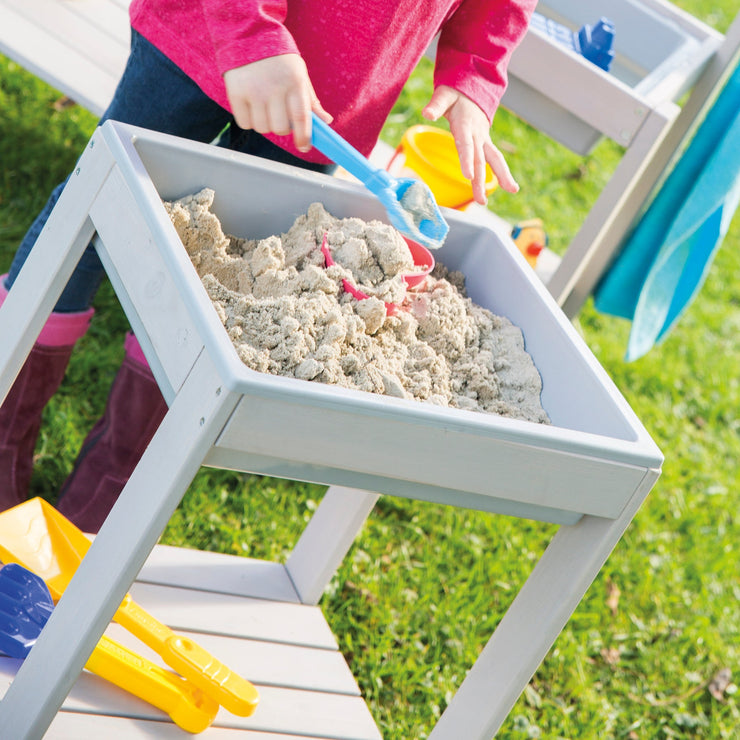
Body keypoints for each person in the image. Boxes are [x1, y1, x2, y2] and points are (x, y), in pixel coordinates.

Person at [0, 0, 536, 531]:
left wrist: (475, 70)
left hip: (332, 91)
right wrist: (249, 31)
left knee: (238, 281)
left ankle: (115, 482)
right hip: (204, 30)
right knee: (93, 214)